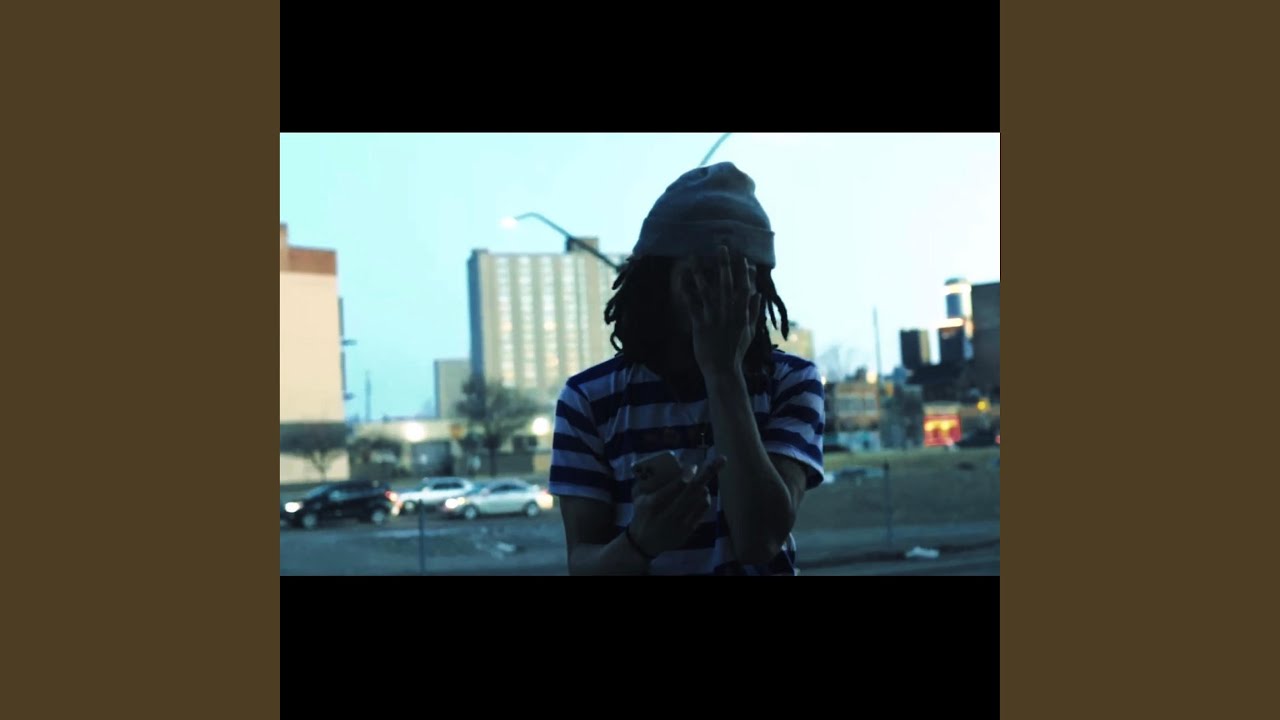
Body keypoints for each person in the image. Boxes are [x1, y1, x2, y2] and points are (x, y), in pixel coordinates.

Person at [549, 162, 826, 575]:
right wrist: (640, 542)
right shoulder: (589, 399)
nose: (722, 294)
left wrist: (723, 373)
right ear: (657, 281)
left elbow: (760, 541)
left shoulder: (792, 382)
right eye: (703, 276)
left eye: (740, 277)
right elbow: (583, 563)